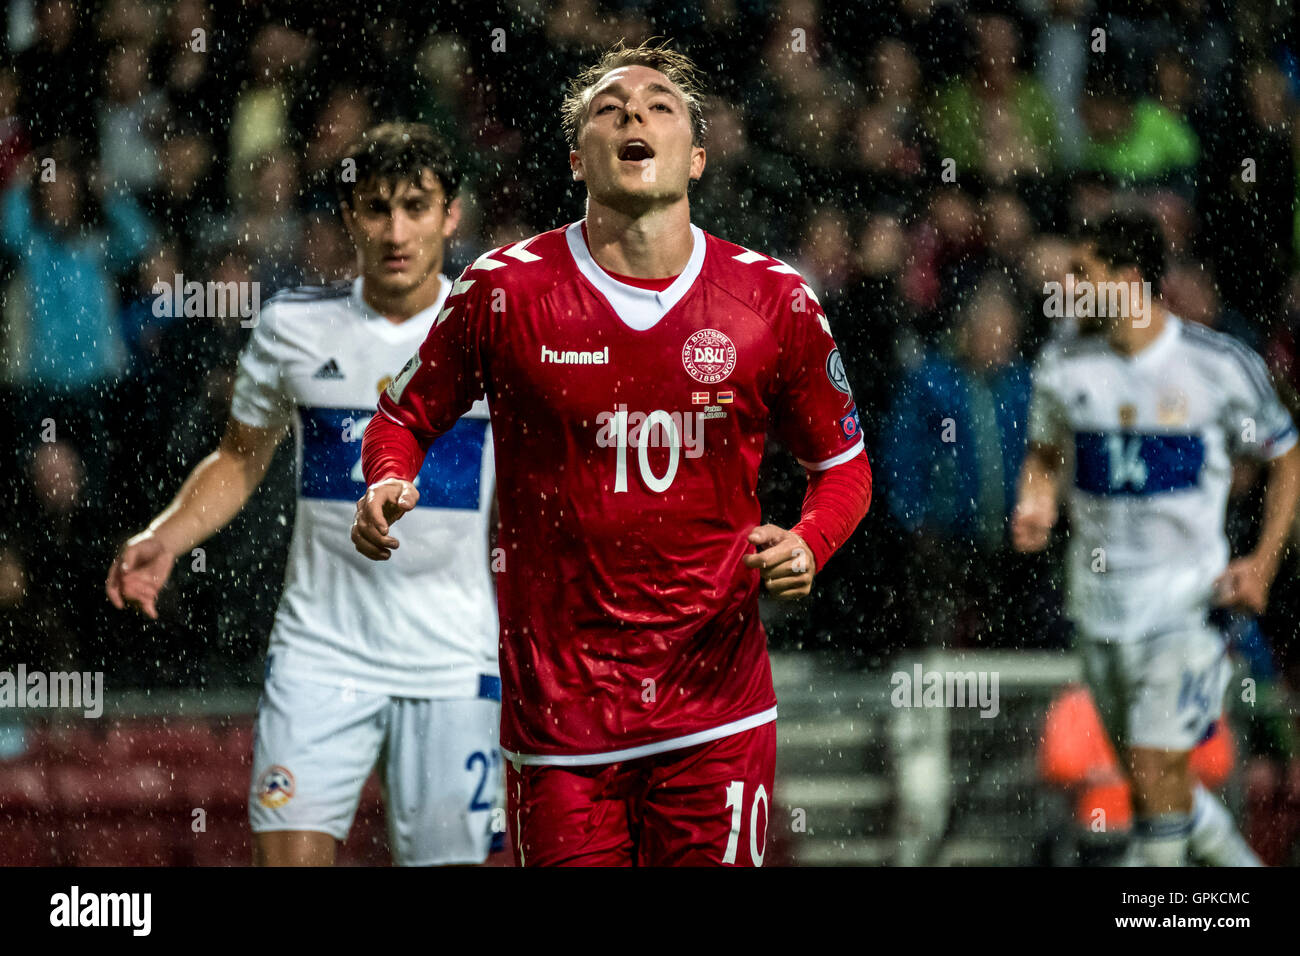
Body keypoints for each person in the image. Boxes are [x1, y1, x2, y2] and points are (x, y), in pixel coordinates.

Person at [353, 39, 873, 867]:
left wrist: (812, 542)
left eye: (660, 105)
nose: (634, 113)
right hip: (560, 719)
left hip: (717, 710)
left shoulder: (773, 300)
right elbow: (402, 417)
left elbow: (841, 465)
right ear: (576, 158)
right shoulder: (504, 290)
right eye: (609, 107)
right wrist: (387, 480)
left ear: (696, 157)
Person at [106, 123, 501, 866]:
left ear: (452, 215)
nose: (395, 229)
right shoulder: (292, 326)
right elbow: (238, 460)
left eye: (417, 207)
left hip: (454, 660)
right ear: (349, 216)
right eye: (376, 207)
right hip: (321, 654)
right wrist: (168, 535)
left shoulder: (490, 331)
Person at [1012, 211, 1300, 866]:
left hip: (1185, 609)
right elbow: (1046, 454)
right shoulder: (1063, 363)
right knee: (1152, 787)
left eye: (1082, 273)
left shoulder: (1217, 364)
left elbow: (1287, 455)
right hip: (1099, 610)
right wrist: (1037, 502)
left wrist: (1262, 563)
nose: (1068, 285)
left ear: (1128, 279)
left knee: (1153, 767)